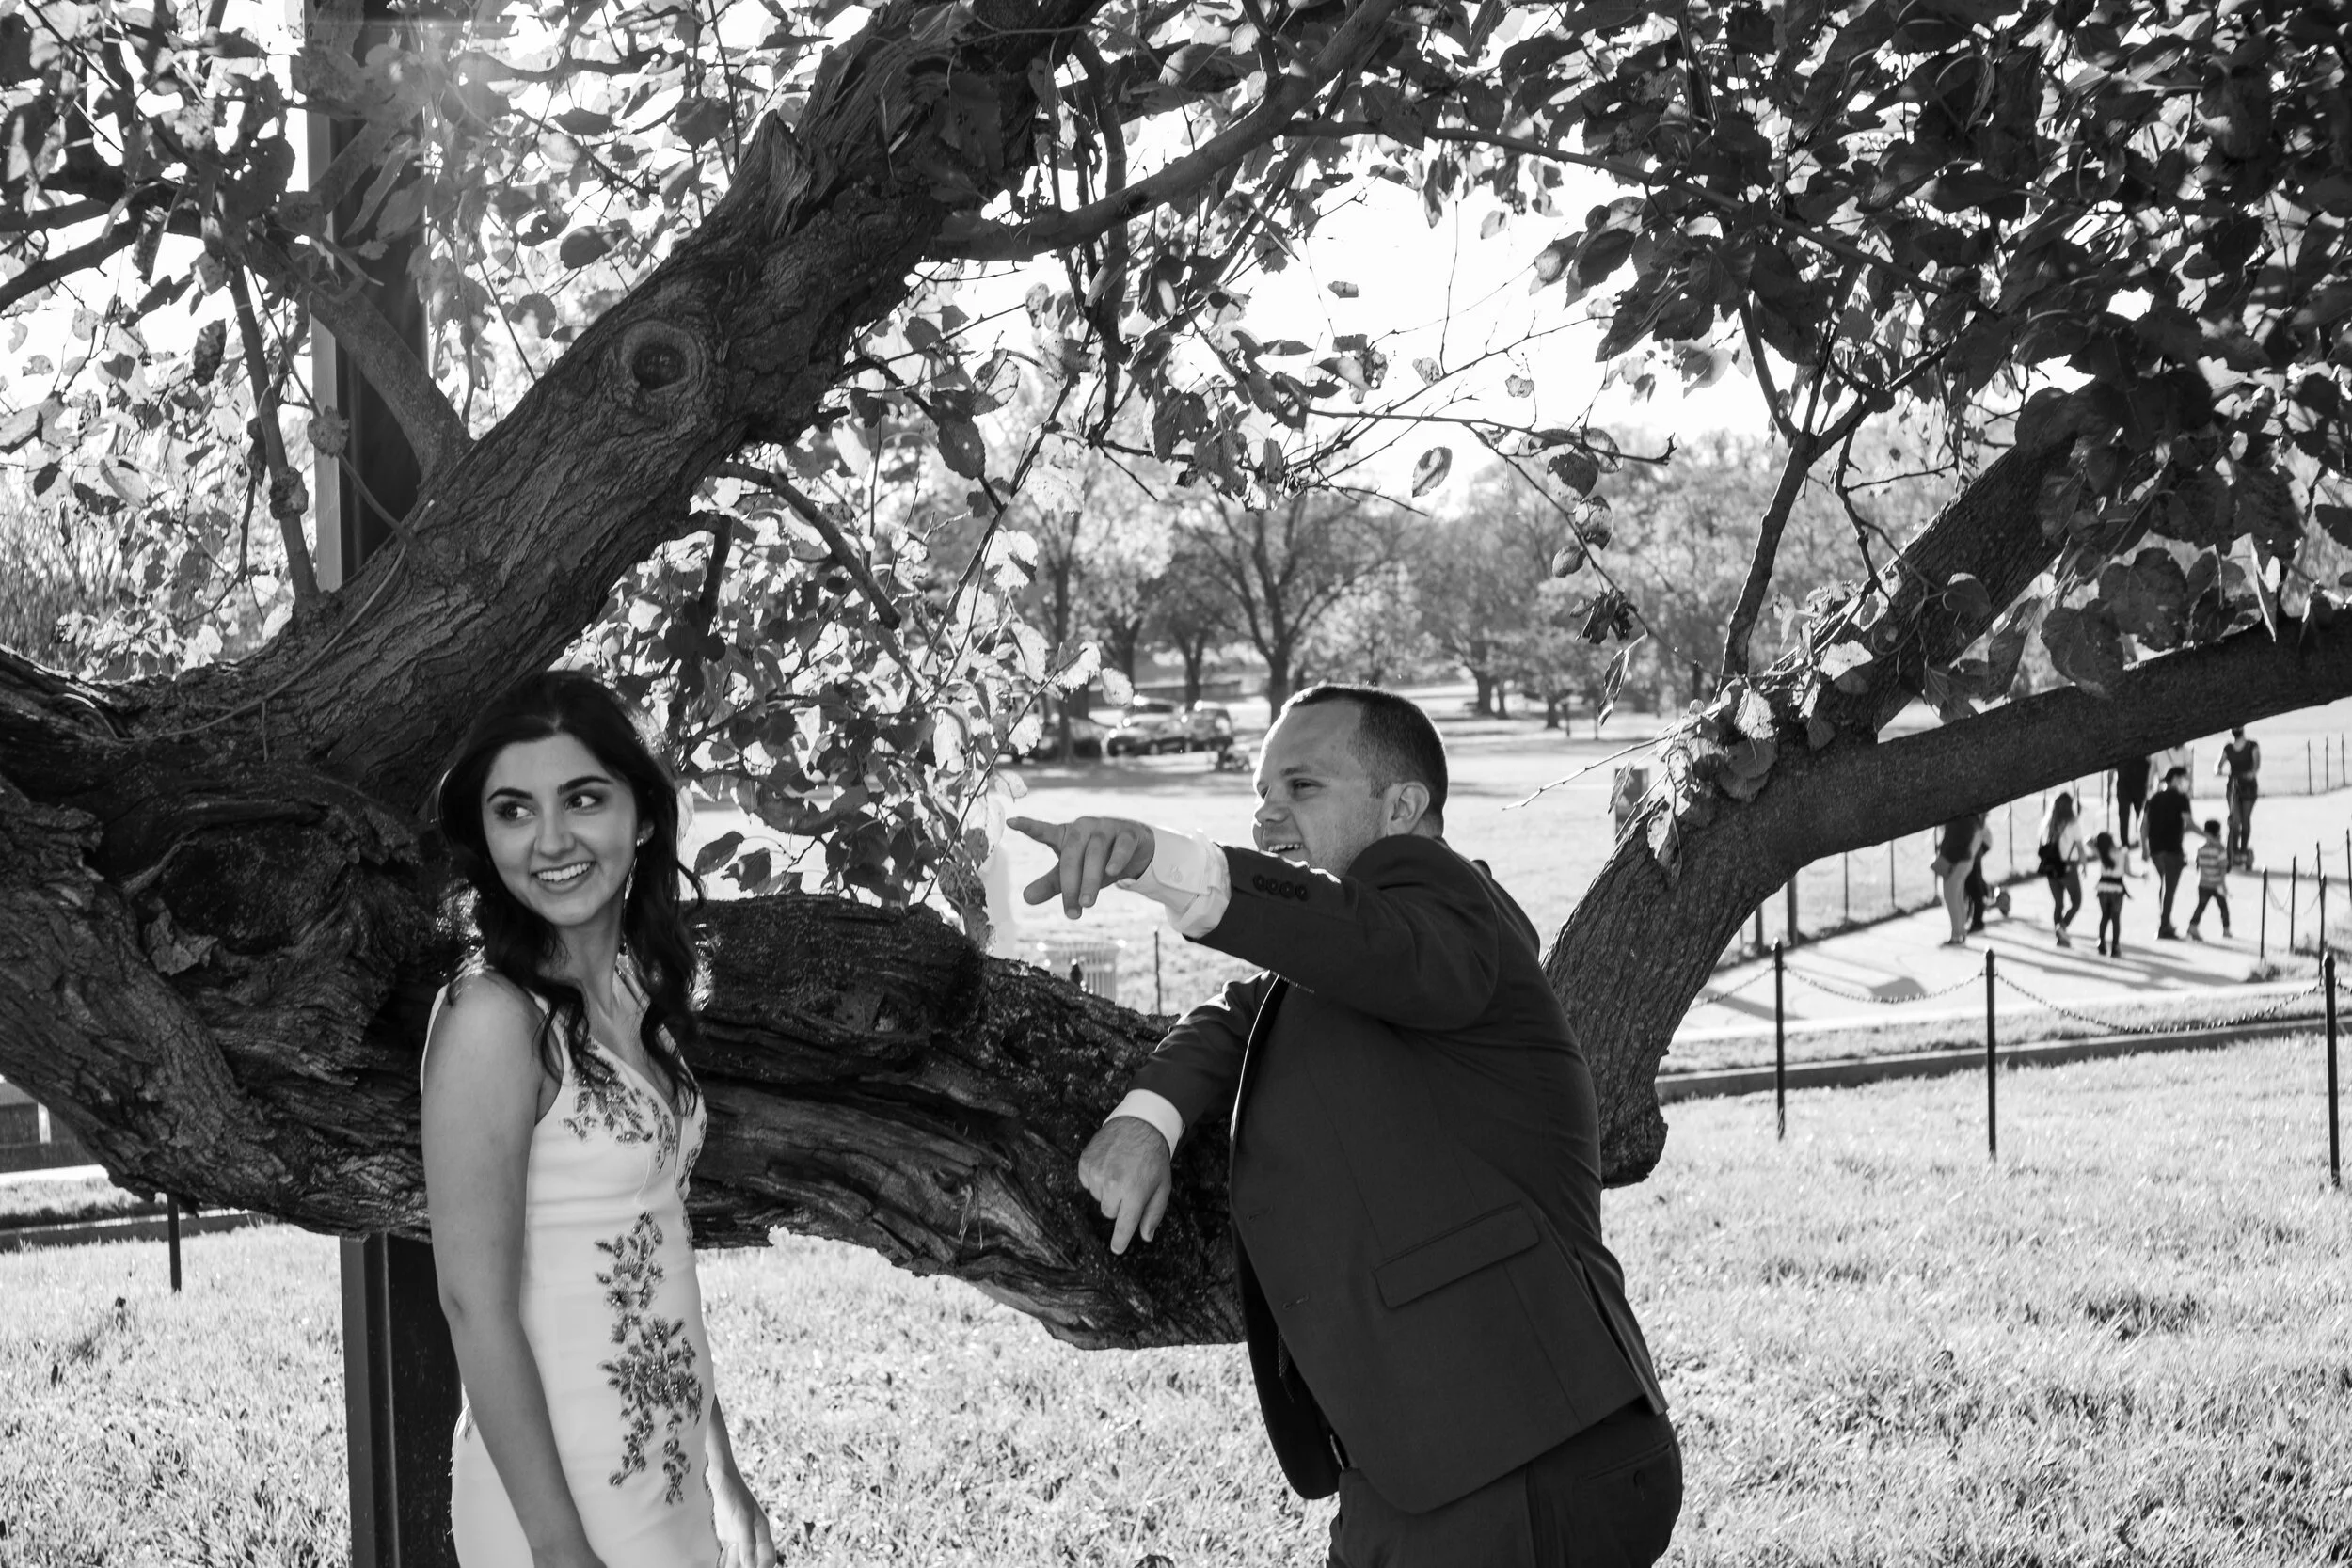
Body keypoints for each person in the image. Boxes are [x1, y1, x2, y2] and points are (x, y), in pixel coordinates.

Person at [1009, 684, 1677, 1568]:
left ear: (1403, 808)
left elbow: (1352, 937)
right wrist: (1149, 1117)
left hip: (1513, 1451)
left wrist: (1157, 859)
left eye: (1302, 788)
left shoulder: (1451, 905)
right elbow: (1244, 1009)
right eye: (1260, 793)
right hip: (1440, 1462)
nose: (1266, 813)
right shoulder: (1346, 961)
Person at [421, 671, 775, 1568]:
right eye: (513, 810)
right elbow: (473, 1305)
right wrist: (556, 1548)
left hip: (666, 1476)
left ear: (644, 814)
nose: (550, 841)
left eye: (582, 798)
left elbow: (662, 1254)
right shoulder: (492, 1021)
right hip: (555, 1493)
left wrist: (722, 1471)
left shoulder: (633, 987)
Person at [2142, 766, 2194, 939]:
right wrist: (2210, 837)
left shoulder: (2153, 798)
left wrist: (2144, 847)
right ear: (2175, 779)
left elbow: (2144, 825)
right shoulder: (2181, 799)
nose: (2186, 782)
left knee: (2164, 884)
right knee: (2169, 888)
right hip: (2173, 849)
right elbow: (2189, 823)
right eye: (2184, 778)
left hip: (2155, 849)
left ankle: (2165, 920)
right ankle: (2164, 925)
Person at [2038, 793, 2086, 947]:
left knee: (2058, 904)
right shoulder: (2073, 824)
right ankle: (2063, 926)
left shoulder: (2047, 824)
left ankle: (2060, 937)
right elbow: (2080, 847)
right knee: (2076, 901)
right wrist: (2083, 864)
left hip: (2051, 868)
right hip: (2067, 867)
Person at [1936, 812, 1988, 945]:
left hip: (1956, 861)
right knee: (1957, 897)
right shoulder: (1975, 820)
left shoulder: (1967, 819)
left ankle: (1956, 935)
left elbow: (1956, 841)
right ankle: (1960, 932)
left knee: (1951, 897)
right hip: (1963, 862)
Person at [2217, 726, 2261, 869]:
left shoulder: (2252, 745)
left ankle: (2243, 850)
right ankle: (2233, 850)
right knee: (2234, 820)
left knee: (2245, 819)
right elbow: (2219, 764)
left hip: (2248, 787)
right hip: (2233, 787)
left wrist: (2252, 773)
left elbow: (2256, 764)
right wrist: (2218, 770)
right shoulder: (2228, 748)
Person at [2188, 818, 2233, 941]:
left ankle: (2193, 926)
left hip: (2202, 882)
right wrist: (2223, 884)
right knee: (2223, 907)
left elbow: (2197, 864)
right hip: (2216, 882)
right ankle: (2226, 929)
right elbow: (2223, 867)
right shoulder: (2220, 849)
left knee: (2201, 906)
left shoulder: (2200, 847)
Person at [2092, 832, 2130, 957]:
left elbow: (2087, 841)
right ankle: (2115, 945)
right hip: (2117, 889)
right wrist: (2141, 875)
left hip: (2103, 888)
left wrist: (2097, 843)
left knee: (2104, 916)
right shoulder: (2122, 852)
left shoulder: (2103, 854)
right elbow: (2128, 872)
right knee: (2115, 918)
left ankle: (2101, 941)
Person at [2112, 754, 2151, 849]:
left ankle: (2144, 841)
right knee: (2126, 816)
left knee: (2142, 816)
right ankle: (2126, 843)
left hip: (2138, 786)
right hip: (2126, 786)